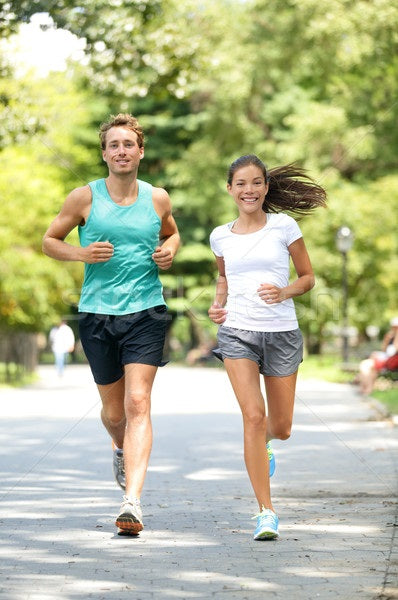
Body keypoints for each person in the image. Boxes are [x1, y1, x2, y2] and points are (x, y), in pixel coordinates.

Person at [42, 113, 180, 535]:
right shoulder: (83, 198)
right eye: (114, 145)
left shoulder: (157, 198)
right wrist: (81, 255)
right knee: (114, 411)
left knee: (139, 403)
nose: (122, 151)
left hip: (146, 311)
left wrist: (169, 250)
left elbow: (171, 234)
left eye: (129, 144)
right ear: (104, 154)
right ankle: (119, 446)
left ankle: (132, 502)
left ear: (141, 151)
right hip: (98, 313)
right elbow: (50, 241)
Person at [208, 155, 326, 540]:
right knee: (253, 418)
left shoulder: (284, 225)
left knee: (280, 427)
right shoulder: (219, 236)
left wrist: (284, 291)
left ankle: (267, 447)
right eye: (241, 184)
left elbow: (307, 278)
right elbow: (224, 278)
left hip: (281, 332)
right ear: (230, 189)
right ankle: (266, 512)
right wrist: (217, 304)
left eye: (256, 183)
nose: (249, 190)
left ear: (266, 187)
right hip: (238, 332)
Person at [358, 317, 398, 395]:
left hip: (392, 361)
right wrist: (386, 340)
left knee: (366, 365)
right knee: (366, 365)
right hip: (387, 359)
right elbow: (384, 350)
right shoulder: (390, 337)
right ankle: (366, 388)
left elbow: (395, 350)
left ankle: (366, 388)